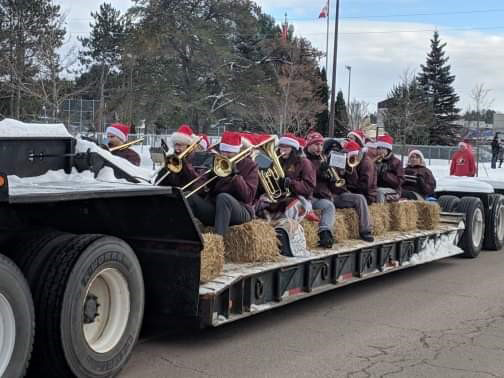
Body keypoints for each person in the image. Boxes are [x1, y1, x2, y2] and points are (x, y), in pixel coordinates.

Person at [188, 131, 258, 235]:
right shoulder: (217, 162)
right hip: (216, 208)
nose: (225, 155)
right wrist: (209, 176)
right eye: (223, 151)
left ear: (237, 152)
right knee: (188, 197)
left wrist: (236, 177)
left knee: (223, 197)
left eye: (229, 152)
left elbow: (248, 197)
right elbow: (200, 189)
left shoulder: (250, 165)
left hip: (241, 210)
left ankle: (218, 241)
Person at [257, 133, 316, 222]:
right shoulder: (275, 160)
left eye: (286, 147)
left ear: (293, 149)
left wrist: (290, 183)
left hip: (299, 197)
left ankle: (284, 228)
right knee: (260, 202)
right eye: (281, 147)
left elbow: (309, 187)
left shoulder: (304, 162)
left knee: (291, 207)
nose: (282, 150)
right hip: (280, 196)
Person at [304, 132, 336, 248]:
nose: (319, 148)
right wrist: (319, 171)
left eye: (321, 145)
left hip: (318, 196)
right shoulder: (303, 159)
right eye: (316, 144)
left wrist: (331, 178)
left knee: (329, 205)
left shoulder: (323, 159)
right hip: (306, 197)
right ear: (308, 145)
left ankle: (325, 232)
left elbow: (330, 185)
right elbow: (307, 178)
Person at [345, 140, 378, 205]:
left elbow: (365, 186)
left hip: (367, 196)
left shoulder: (367, 163)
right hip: (356, 192)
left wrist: (353, 173)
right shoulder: (353, 162)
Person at [375, 135, 404, 203]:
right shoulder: (377, 161)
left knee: (379, 192)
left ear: (388, 150)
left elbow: (399, 181)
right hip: (378, 187)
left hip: (394, 191)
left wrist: (385, 174)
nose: (379, 151)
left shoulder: (397, 162)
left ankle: (380, 211)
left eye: (382, 148)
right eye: (378, 148)